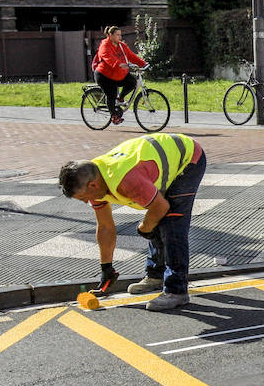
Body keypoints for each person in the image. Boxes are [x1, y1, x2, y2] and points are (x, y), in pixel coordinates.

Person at [58, 132, 206, 312]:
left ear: (93, 186)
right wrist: (107, 268)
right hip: (157, 161)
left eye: (82, 197)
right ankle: (156, 275)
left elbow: (160, 207)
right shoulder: (93, 178)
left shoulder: (126, 179)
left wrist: (145, 227)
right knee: (154, 220)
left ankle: (176, 291)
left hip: (188, 159)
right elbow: (105, 226)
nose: (84, 202)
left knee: (171, 224)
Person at [92, 25, 147, 125]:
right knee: (111, 94)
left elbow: (131, 55)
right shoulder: (104, 45)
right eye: (117, 35)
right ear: (110, 35)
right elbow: (108, 57)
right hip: (104, 75)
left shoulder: (122, 46)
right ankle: (114, 116)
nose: (120, 37)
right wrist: (118, 64)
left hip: (117, 74)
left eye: (120, 35)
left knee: (132, 82)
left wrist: (143, 63)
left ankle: (120, 98)